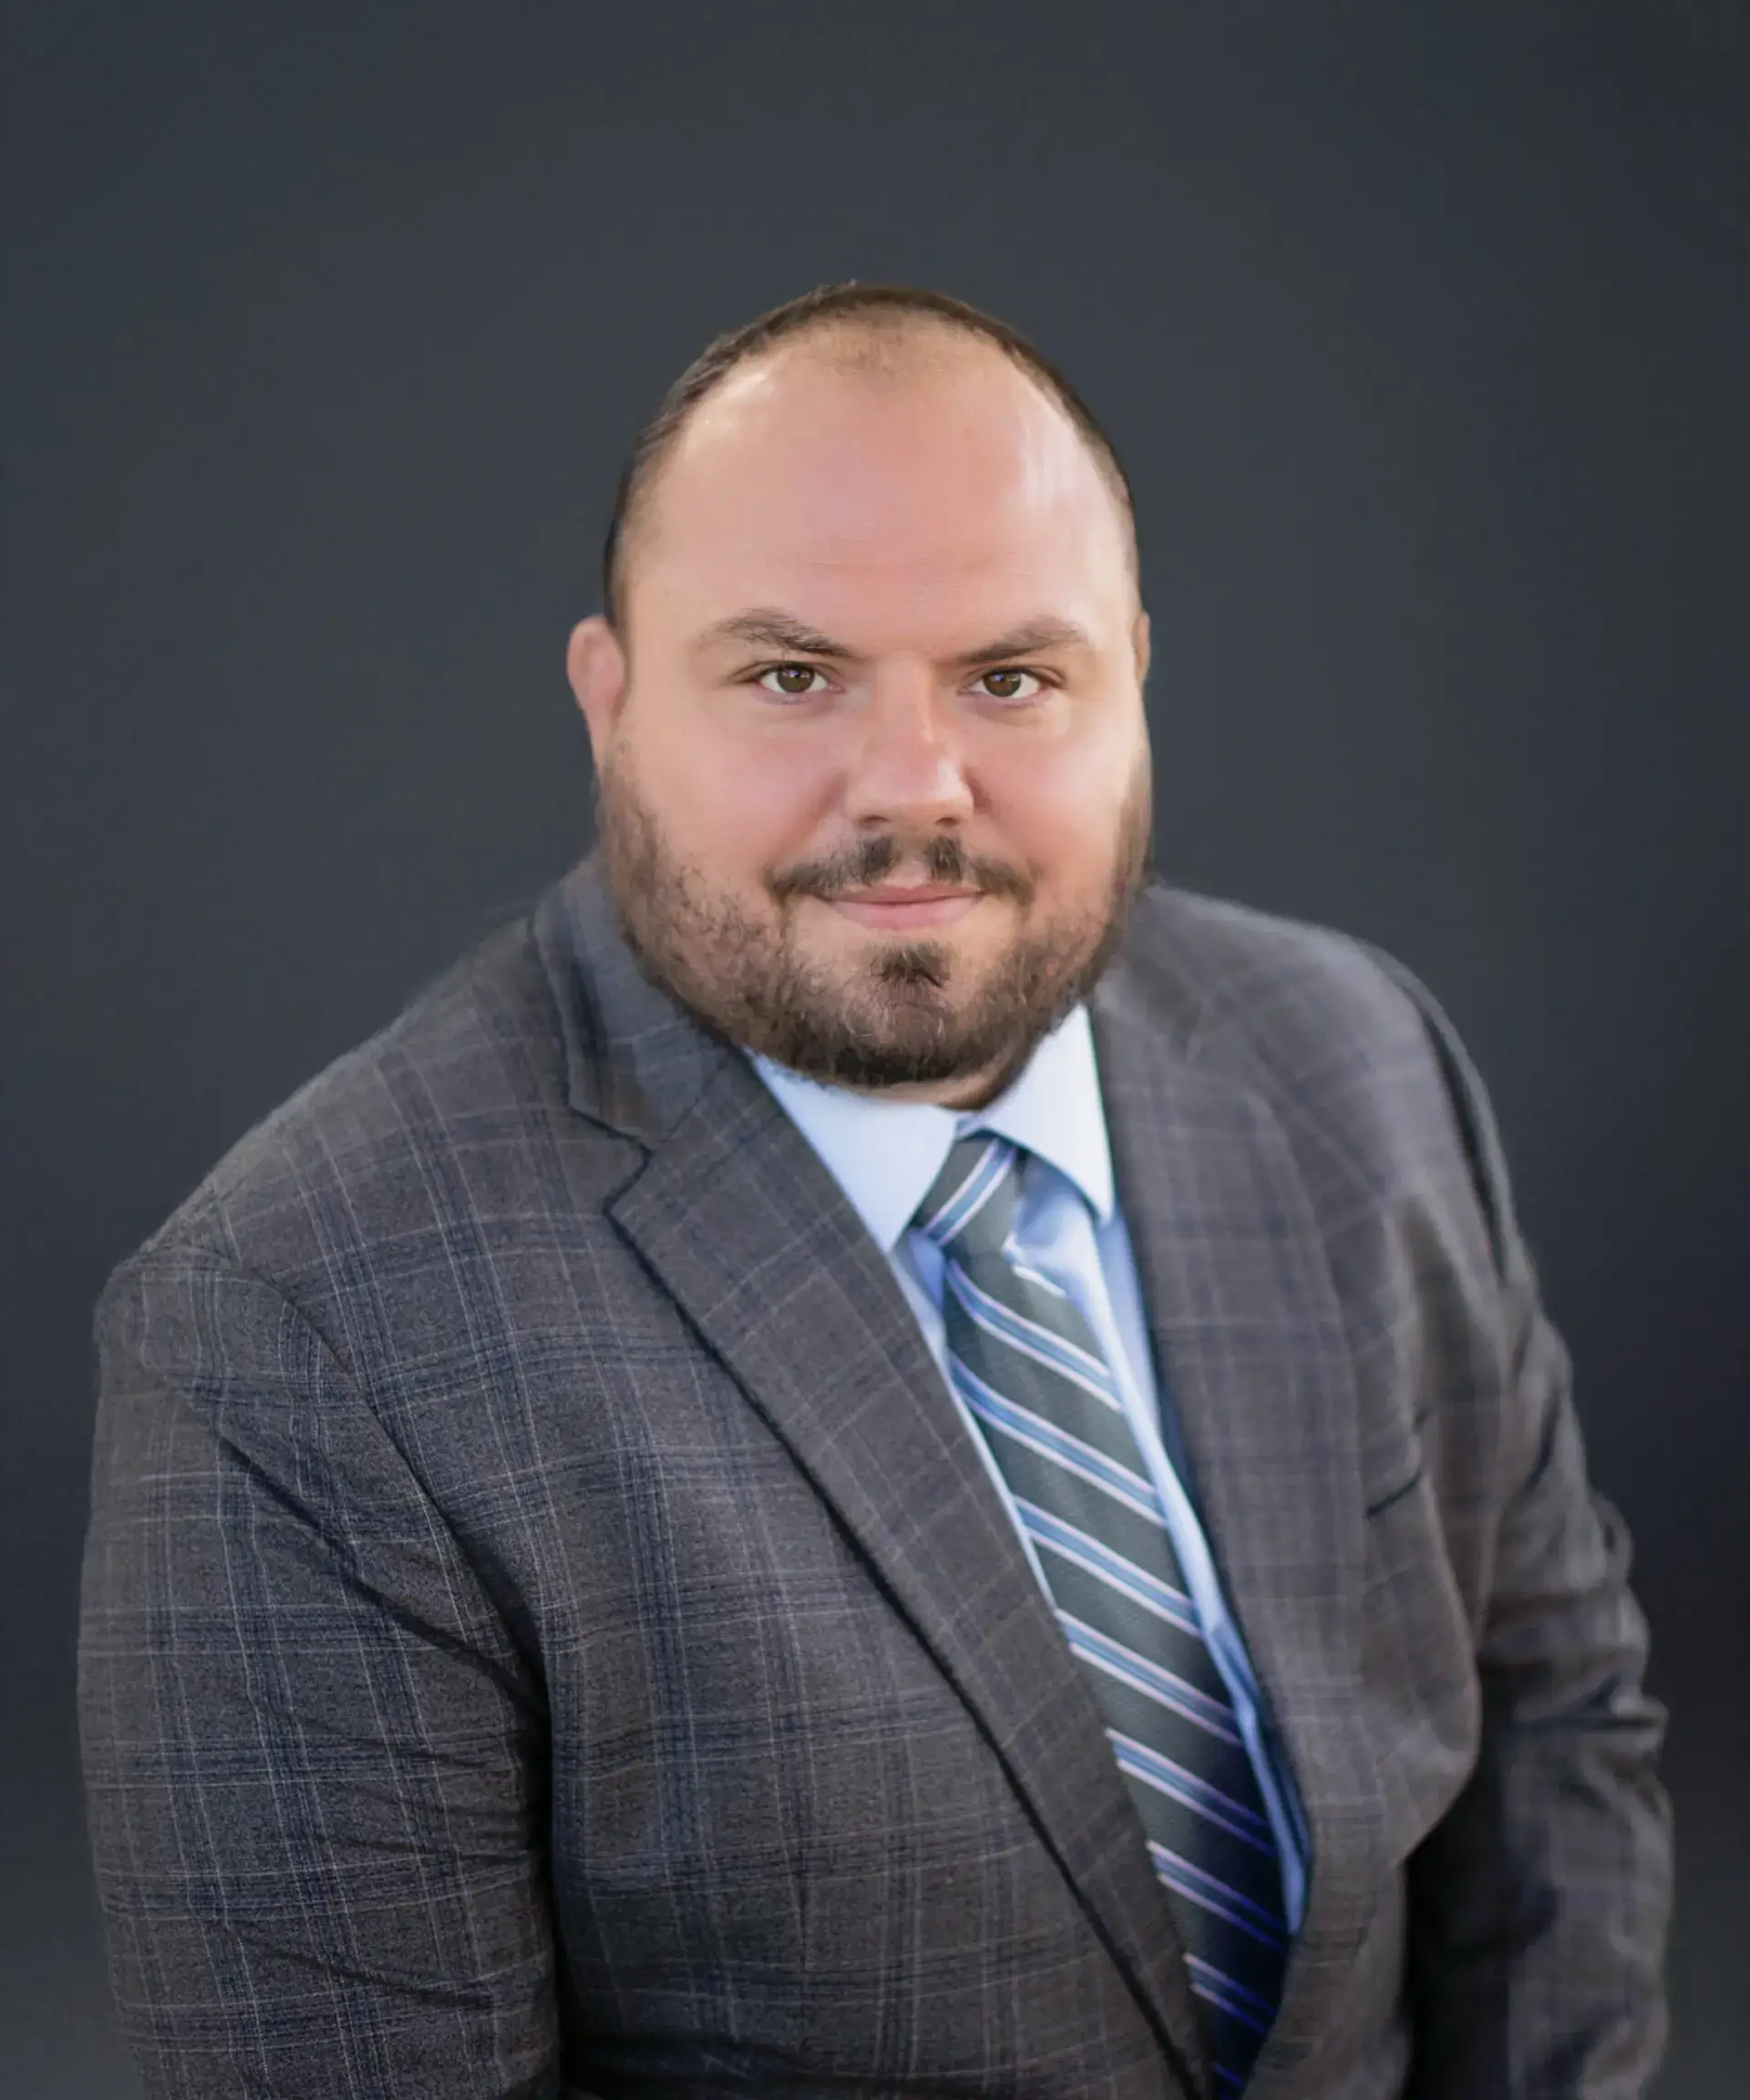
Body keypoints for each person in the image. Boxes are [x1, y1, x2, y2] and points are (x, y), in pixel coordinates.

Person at [78, 283, 1673, 2100]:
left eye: (1012, 678)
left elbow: (1554, 1743)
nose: (915, 789)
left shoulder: (1356, 1062)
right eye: (791, 676)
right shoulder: (298, 1335)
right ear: (610, 702)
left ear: (1133, 679)